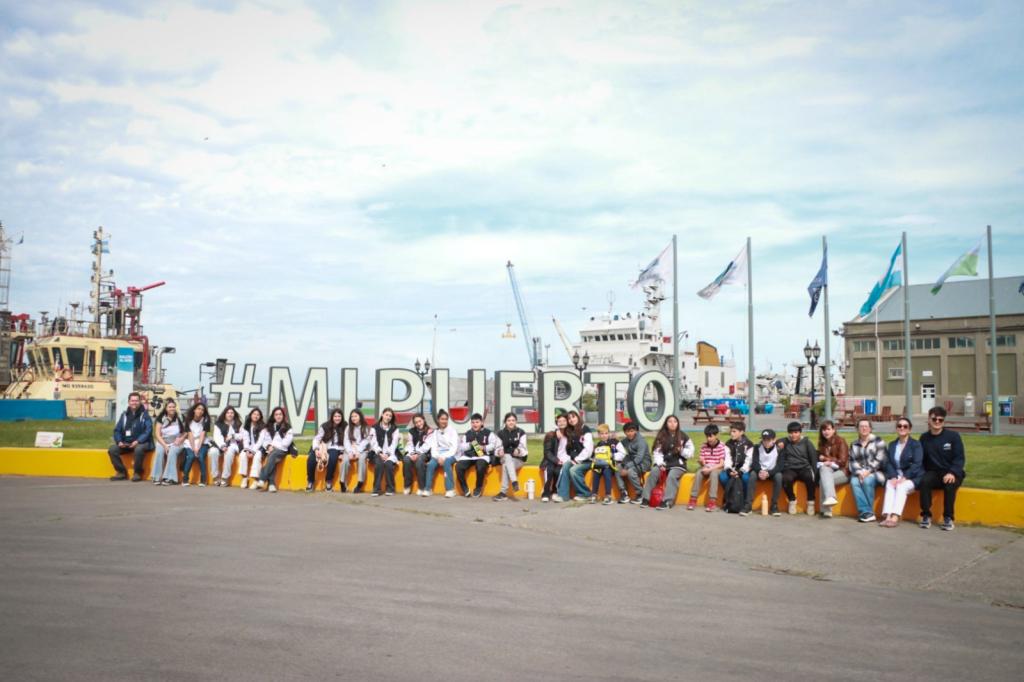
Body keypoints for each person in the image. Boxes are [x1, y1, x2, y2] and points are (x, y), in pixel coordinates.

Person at [918, 406, 966, 531]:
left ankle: (948, 518)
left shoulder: (953, 436)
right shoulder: (924, 438)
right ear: (929, 420)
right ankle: (926, 515)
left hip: (951, 472)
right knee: (924, 481)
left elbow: (959, 458)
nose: (937, 422)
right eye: (934, 419)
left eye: (940, 419)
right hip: (934, 472)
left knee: (950, 484)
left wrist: (952, 472)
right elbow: (920, 459)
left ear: (944, 421)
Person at [640, 415, 693, 509]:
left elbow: (690, 453)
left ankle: (667, 501)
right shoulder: (661, 436)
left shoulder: (683, 436)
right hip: (664, 463)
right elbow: (657, 453)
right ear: (666, 424)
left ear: (678, 424)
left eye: (675, 422)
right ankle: (645, 498)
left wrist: (681, 450)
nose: (672, 424)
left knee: (672, 476)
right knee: (654, 472)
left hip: (678, 464)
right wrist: (660, 464)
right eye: (670, 421)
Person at [879, 417, 925, 528]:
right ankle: (887, 516)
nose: (902, 428)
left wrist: (905, 477)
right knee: (890, 484)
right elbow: (888, 463)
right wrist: (893, 476)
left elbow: (917, 464)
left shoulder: (916, 444)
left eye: (905, 426)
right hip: (898, 475)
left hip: (913, 476)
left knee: (901, 486)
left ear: (909, 429)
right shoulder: (892, 444)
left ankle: (895, 516)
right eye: (899, 426)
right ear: (896, 428)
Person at [107, 391, 153, 482]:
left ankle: (137, 473)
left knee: (138, 449)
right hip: (127, 443)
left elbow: (148, 431)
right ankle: (121, 472)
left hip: (142, 443)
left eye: (136, 400)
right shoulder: (124, 415)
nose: (134, 403)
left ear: (140, 402)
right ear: (129, 402)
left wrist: (138, 441)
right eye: (132, 401)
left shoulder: (145, 415)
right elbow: (117, 430)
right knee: (112, 449)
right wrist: (119, 441)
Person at [848, 418, 887, 522]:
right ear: (857, 429)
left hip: (877, 472)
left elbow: (880, 460)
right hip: (860, 472)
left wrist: (868, 471)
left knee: (867, 480)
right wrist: (860, 472)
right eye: (861, 426)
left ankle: (867, 512)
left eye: (866, 426)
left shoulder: (879, 441)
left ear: (870, 428)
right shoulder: (854, 444)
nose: (864, 428)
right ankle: (867, 512)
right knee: (853, 481)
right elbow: (852, 461)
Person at [577, 423, 622, 505]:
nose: (604, 435)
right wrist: (594, 458)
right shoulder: (598, 444)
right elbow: (595, 456)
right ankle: (594, 494)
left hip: (610, 466)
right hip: (599, 465)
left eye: (606, 433)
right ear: (598, 435)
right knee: (596, 472)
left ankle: (608, 495)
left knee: (606, 472)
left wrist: (613, 455)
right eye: (602, 434)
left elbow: (623, 453)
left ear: (609, 433)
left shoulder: (614, 442)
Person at [555, 410, 594, 502]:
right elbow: (559, 425)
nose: (571, 420)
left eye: (573, 417)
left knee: (574, 470)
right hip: (575, 460)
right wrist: (557, 430)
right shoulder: (571, 430)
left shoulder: (585, 429)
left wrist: (577, 460)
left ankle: (585, 494)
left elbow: (588, 450)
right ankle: (563, 495)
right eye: (569, 418)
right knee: (566, 466)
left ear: (578, 417)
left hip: (587, 461)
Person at [780, 421, 817, 515]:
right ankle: (792, 500)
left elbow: (813, 458)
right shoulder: (785, 442)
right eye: (791, 433)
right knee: (786, 478)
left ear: (800, 432)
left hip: (804, 468)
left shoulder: (807, 443)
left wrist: (815, 473)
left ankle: (811, 502)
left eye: (796, 432)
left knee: (810, 478)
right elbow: (776, 441)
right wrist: (779, 443)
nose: (793, 435)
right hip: (790, 468)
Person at [688, 424, 727, 511]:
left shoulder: (721, 446)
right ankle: (693, 499)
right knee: (699, 473)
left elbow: (721, 464)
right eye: (707, 436)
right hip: (707, 467)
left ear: (716, 435)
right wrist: (702, 463)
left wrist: (710, 469)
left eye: (711, 436)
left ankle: (712, 500)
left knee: (713, 474)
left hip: (717, 468)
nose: (708, 439)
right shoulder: (704, 446)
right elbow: (703, 461)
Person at [255, 406, 294, 492]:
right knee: (271, 458)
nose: (278, 416)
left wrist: (273, 445)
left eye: (280, 414)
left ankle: (262, 479)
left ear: (283, 416)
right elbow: (265, 440)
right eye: (276, 414)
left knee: (272, 456)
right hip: (271, 450)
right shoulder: (269, 426)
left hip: (282, 450)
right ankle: (271, 484)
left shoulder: (288, 427)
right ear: (273, 416)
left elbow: (285, 443)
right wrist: (269, 446)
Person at [456, 413, 496, 498]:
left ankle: (478, 487)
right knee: (458, 466)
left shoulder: (489, 433)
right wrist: (470, 444)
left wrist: (484, 447)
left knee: (480, 465)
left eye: (477, 422)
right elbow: (461, 447)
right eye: (473, 422)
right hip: (469, 456)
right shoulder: (468, 433)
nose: (475, 424)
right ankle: (465, 488)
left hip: (483, 456)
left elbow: (493, 445)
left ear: (482, 422)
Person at [816, 420, 849, 518]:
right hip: (829, 471)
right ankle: (829, 503)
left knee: (823, 480)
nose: (826, 432)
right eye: (823, 430)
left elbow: (843, 461)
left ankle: (827, 507)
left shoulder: (841, 441)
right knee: (824, 470)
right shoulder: (822, 443)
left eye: (828, 429)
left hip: (843, 471)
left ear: (834, 430)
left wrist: (826, 459)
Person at [306, 408, 344, 492]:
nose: (337, 418)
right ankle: (310, 481)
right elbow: (317, 439)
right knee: (311, 459)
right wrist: (316, 450)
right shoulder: (325, 426)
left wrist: (343, 452)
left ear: (342, 417)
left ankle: (328, 481)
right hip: (322, 446)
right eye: (335, 416)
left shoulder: (345, 426)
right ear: (332, 417)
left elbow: (347, 441)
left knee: (333, 458)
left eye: (339, 416)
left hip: (335, 448)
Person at [721, 421, 754, 515]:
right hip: (732, 469)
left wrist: (740, 472)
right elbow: (727, 459)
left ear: (742, 432)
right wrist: (729, 470)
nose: (731, 433)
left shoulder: (749, 444)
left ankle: (745, 503)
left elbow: (748, 461)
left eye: (734, 431)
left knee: (746, 479)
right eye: (731, 431)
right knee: (723, 477)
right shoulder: (728, 443)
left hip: (744, 470)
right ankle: (730, 499)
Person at [749, 429, 785, 516]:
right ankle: (748, 505)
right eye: (764, 439)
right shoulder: (757, 447)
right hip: (760, 471)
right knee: (752, 475)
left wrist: (769, 473)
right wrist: (760, 471)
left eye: (768, 440)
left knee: (779, 476)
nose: (765, 442)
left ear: (774, 440)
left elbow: (780, 466)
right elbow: (755, 462)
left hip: (772, 472)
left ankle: (774, 506)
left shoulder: (779, 450)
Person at [493, 412, 528, 501]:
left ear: (516, 421)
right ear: (505, 422)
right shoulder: (500, 433)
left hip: (518, 460)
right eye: (509, 420)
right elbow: (497, 449)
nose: (511, 422)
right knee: (507, 457)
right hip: (504, 458)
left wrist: (518, 451)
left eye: (513, 420)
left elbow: (524, 450)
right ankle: (514, 482)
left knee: (506, 464)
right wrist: (499, 452)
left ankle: (503, 493)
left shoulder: (521, 432)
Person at [426, 409, 460, 498]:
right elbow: (434, 447)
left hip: (452, 454)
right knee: (431, 464)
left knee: (447, 462)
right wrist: (438, 457)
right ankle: (428, 489)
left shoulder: (452, 431)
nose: (444, 421)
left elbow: (454, 448)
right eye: (442, 419)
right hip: (439, 455)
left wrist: (443, 457)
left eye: (446, 419)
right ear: (438, 420)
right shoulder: (435, 432)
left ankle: (450, 489)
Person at [151, 398, 185, 485]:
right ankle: (156, 477)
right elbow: (157, 434)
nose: (172, 408)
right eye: (170, 407)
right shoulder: (161, 418)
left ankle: (170, 478)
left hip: (177, 442)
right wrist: (165, 446)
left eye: (173, 407)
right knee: (159, 452)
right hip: (163, 441)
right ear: (166, 408)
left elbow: (186, 432)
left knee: (172, 452)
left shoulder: (180, 417)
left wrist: (180, 439)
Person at [616, 421, 651, 504]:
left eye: (632, 431)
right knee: (617, 468)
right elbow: (618, 444)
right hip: (631, 462)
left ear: (636, 431)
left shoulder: (641, 441)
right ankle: (624, 493)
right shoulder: (626, 440)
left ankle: (640, 494)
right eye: (627, 431)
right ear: (625, 432)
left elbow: (639, 458)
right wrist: (613, 440)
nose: (630, 433)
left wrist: (626, 467)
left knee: (630, 471)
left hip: (644, 463)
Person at [369, 408, 401, 496]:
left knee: (389, 464)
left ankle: (390, 488)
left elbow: (394, 443)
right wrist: (380, 453)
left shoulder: (395, 429)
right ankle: (376, 489)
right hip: (377, 453)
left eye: (390, 416)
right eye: (386, 415)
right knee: (379, 464)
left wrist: (387, 454)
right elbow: (373, 442)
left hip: (390, 453)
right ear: (382, 415)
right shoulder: (374, 427)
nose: (388, 417)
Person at [210, 406, 244, 487]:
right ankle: (215, 476)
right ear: (225, 414)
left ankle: (225, 477)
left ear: (234, 414)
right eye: (228, 413)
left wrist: (233, 436)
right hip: (219, 444)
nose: (230, 414)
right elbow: (217, 436)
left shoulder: (238, 423)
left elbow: (242, 436)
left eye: (232, 413)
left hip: (233, 444)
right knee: (213, 452)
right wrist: (222, 445)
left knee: (229, 452)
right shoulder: (218, 424)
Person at [340, 409, 371, 493]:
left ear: (360, 416)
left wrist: (358, 451)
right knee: (345, 461)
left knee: (361, 460)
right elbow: (346, 441)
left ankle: (360, 483)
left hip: (362, 450)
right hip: (349, 449)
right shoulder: (348, 427)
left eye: (355, 416)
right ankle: (342, 482)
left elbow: (366, 441)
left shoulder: (366, 427)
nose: (353, 418)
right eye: (352, 416)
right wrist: (350, 452)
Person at [181, 403, 212, 487]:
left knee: (200, 456)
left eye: (202, 410)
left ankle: (203, 480)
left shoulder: (206, 420)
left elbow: (203, 435)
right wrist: (194, 448)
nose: (200, 411)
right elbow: (190, 435)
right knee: (191, 456)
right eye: (198, 409)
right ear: (194, 410)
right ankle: (185, 479)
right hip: (190, 442)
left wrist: (198, 447)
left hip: (202, 442)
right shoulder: (188, 420)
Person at [540, 414, 569, 502]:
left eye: (564, 421)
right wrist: (556, 460)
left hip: (564, 460)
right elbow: (547, 452)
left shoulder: (570, 434)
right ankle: (546, 493)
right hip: (551, 460)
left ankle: (554, 491)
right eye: (559, 421)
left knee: (558, 471)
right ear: (557, 423)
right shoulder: (551, 435)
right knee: (550, 469)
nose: (562, 423)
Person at [404, 413, 434, 496]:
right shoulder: (411, 431)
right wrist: (412, 453)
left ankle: (422, 487)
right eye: (416, 422)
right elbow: (409, 444)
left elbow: (427, 446)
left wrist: (417, 454)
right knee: (406, 460)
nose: (418, 423)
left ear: (423, 420)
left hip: (425, 453)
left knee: (419, 460)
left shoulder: (430, 431)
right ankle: (407, 486)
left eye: (420, 421)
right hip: (413, 453)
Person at [238, 408, 267, 490]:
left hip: (260, 448)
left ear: (260, 417)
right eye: (254, 414)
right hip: (249, 447)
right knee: (242, 455)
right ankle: (244, 478)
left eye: (258, 415)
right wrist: (247, 450)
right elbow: (245, 439)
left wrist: (252, 451)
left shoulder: (263, 427)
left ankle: (255, 479)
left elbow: (260, 441)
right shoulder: (246, 425)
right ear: (251, 415)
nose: (256, 416)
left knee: (257, 456)